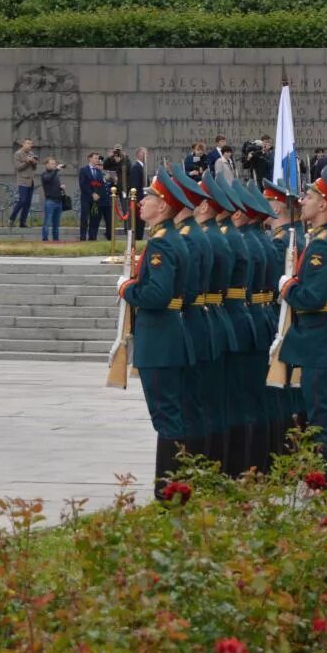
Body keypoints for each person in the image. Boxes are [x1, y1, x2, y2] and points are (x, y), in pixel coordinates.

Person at [117, 170, 194, 498]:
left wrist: (127, 289)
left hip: (160, 338)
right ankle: (178, 484)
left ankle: (170, 491)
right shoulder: (172, 238)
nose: (142, 203)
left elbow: (156, 296)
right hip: (170, 334)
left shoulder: (162, 243)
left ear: (162, 206)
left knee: (166, 417)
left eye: (148, 198)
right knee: (171, 414)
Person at [277, 175, 327, 470]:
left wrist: (287, 287)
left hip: (322, 340)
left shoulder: (322, 246)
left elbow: (312, 298)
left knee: (324, 419)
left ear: (323, 204)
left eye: (308, 198)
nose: (302, 202)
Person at [9, 137, 39, 229]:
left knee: (28, 203)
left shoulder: (31, 153)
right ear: (23, 144)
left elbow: (34, 168)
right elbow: (18, 167)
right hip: (22, 180)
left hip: (31, 181)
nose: (30, 145)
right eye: (28, 143)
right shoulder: (18, 154)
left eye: (31, 144)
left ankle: (23, 222)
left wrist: (34, 162)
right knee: (22, 200)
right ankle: (11, 219)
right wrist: (27, 161)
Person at [78, 152, 107, 241]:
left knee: (95, 219)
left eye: (98, 158)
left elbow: (101, 185)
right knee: (84, 218)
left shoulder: (99, 171)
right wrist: (92, 193)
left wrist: (98, 195)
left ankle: (92, 237)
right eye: (95, 158)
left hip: (96, 199)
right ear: (90, 159)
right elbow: (82, 184)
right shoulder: (83, 170)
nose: (97, 160)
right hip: (86, 198)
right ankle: (83, 237)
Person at [39, 157, 67, 242]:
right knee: (47, 223)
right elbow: (48, 178)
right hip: (50, 202)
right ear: (47, 165)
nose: (54, 165)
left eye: (54, 164)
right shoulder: (44, 174)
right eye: (52, 164)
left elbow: (54, 184)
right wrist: (56, 170)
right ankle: (45, 240)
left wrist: (61, 187)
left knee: (56, 224)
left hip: (59, 202)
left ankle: (56, 240)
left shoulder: (56, 175)